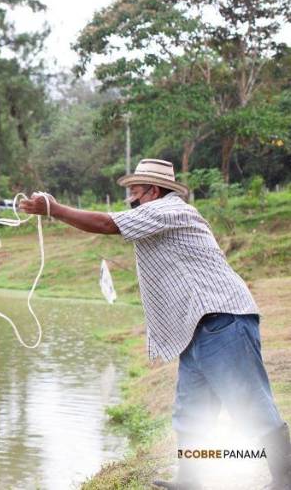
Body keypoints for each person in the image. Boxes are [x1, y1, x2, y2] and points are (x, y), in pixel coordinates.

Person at [19, 158, 290, 490]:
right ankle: (190, 481)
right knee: (191, 413)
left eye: (136, 189)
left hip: (222, 319)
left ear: (156, 190)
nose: (130, 195)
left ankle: (285, 478)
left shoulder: (170, 209)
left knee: (249, 403)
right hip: (196, 327)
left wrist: (55, 209)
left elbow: (106, 224)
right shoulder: (152, 217)